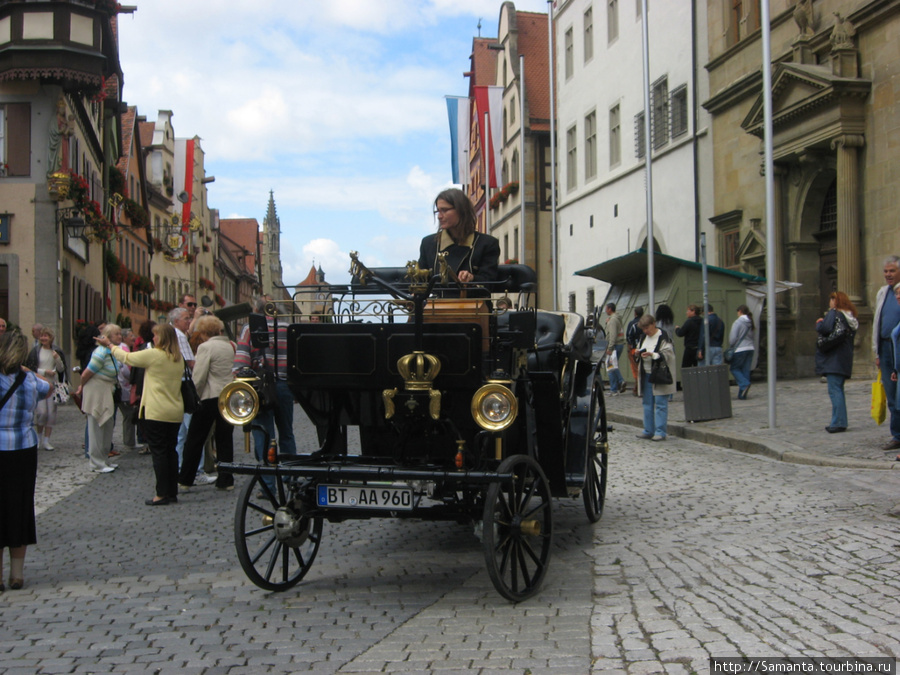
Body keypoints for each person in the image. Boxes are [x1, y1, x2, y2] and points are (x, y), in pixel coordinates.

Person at [98, 324, 184, 505]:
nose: (153, 339)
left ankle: (161, 493)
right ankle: (172, 491)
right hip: (175, 411)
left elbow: (127, 357)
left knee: (159, 453)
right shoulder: (178, 358)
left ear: (163, 338)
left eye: (156, 336)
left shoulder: (155, 355)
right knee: (171, 452)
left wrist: (109, 345)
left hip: (157, 411)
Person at [0, 332, 52, 592]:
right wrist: (25, 370)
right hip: (23, 447)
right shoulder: (30, 380)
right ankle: (17, 575)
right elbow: (49, 387)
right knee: (19, 506)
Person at [233, 297, 298, 492]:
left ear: (256, 311)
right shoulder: (288, 329)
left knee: (263, 433)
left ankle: (268, 483)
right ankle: (289, 475)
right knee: (287, 432)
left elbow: (241, 362)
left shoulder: (249, 329)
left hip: (260, 387)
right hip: (285, 386)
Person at [178, 316, 235, 491]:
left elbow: (200, 375)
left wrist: (194, 396)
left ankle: (186, 479)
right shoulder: (230, 346)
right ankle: (226, 479)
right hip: (228, 396)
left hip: (210, 396)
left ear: (203, 332)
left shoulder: (205, 347)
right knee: (225, 439)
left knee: (195, 438)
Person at [418, 187, 500, 286]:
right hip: (437, 301)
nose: (439, 216)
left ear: (461, 210)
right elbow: (420, 281)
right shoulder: (429, 244)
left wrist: (472, 278)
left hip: (474, 301)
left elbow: (490, 281)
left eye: (444, 210)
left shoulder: (486, 244)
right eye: (438, 211)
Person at [75, 324, 122, 473]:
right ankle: (96, 462)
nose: (120, 336)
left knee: (107, 424)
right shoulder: (100, 352)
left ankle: (104, 458)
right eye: (117, 334)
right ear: (108, 337)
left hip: (107, 389)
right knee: (97, 425)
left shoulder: (112, 351)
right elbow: (86, 373)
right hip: (97, 390)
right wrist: (81, 387)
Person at [815, 291, 858, 433]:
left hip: (834, 359)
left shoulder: (835, 313)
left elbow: (825, 329)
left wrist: (819, 323)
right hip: (844, 358)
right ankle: (838, 420)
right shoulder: (849, 317)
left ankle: (838, 422)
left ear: (835, 301)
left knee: (835, 391)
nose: (830, 302)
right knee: (838, 389)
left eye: (831, 299)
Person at [633, 314, 677, 441]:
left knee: (660, 403)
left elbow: (668, 353)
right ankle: (648, 429)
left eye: (647, 328)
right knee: (647, 403)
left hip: (659, 374)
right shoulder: (643, 337)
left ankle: (660, 431)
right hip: (646, 373)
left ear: (653, 324)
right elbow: (639, 350)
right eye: (644, 329)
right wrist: (638, 353)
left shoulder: (663, 336)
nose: (646, 331)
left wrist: (653, 355)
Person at [873, 256, 900, 451]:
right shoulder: (883, 292)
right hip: (884, 348)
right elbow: (877, 322)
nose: (888, 275)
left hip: (898, 346)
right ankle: (897, 435)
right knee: (891, 394)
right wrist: (876, 352)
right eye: (886, 271)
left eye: (892, 271)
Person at [25, 326, 67, 450]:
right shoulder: (35, 351)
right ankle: (38, 438)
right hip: (39, 384)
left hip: (53, 386)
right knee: (42, 413)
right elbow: (31, 368)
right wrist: (45, 371)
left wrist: (57, 359)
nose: (43, 338)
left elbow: (61, 369)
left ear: (50, 338)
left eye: (46, 336)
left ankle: (46, 441)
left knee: (51, 413)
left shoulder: (56, 351)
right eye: (42, 336)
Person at [169, 307, 197, 473]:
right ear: (177, 321)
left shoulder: (173, 334)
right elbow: (190, 363)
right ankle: (195, 469)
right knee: (191, 428)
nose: (189, 321)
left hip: (175, 384)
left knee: (180, 432)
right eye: (186, 318)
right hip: (185, 384)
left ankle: (179, 465)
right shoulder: (179, 336)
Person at [129, 321, 156, 455]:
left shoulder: (142, 348)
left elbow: (135, 371)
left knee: (143, 416)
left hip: (143, 387)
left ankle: (146, 442)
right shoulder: (150, 349)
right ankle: (148, 442)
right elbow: (139, 372)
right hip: (146, 387)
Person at [116, 329, 138, 450]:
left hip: (121, 386)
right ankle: (129, 442)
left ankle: (129, 441)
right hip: (124, 386)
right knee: (129, 415)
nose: (133, 337)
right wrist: (133, 379)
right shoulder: (123, 348)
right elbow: (126, 370)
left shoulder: (121, 348)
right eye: (131, 335)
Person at [728, 305, 755, 400]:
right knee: (745, 370)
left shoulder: (738, 322)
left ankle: (744, 384)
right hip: (750, 348)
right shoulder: (750, 322)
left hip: (740, 348)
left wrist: (731, 346)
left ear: (739, 311)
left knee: (734, 368)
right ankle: (742, 394)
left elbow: (733, 338)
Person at [604, 303, 626, 395]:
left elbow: (612, 335)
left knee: (610, 366)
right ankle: (618, 384)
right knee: (613, 365)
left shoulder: (612, 320)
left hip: (614, 345)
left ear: (609, 309)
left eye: (606, 308)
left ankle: (617, 385)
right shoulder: (616, 318)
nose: (605, 310)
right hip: (619, 344)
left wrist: (610, 347)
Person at [675, 304, 704, 369]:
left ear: (693, 311)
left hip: (690, 348)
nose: (686, 313)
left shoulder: (689, 322)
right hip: (699, 348)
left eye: (688, 311)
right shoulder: (702, 321)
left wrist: (677, 329)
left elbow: (680, 333)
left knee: (685, 368)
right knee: (698, 368)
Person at [625, 306, 644, 396]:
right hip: (644, 349)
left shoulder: (632, 324)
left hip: (634, 349)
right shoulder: (645, 323)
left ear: (635, 313)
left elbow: (629, 336)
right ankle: (640, 387)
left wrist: (630, 347)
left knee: (635, 369)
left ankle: (637, 387)